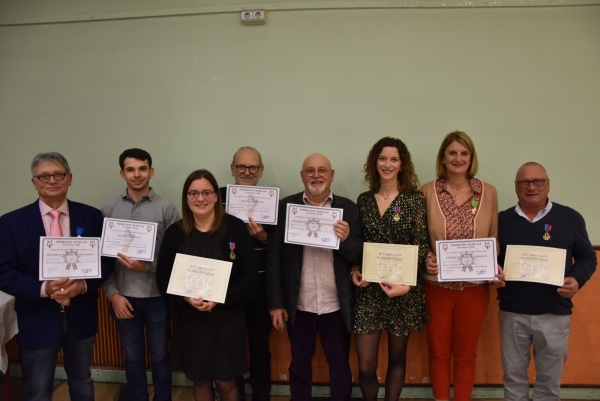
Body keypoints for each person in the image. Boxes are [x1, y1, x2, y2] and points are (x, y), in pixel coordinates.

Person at [0, 152, 113, 401]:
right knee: (38, 389)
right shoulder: (11, 223)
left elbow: (106, 263)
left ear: (69, 178)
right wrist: (44, 289)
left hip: (81, 315)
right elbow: (4, 273)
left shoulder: (91, 217)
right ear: (34, 182)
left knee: (82, 381)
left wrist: (83, 284)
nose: (52, 180)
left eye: (58, 174)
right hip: (37, 317)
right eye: (44, 175)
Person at [266, 153, 363, 401]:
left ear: (332, 175)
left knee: (340, 364)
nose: (316, 175)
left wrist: (345, 240)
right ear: (302, 176)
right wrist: (276, 303)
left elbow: (359, 254)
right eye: (310, 170)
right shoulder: (286, 208)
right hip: (300, 304)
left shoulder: (349, 208)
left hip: (335, 305)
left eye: (322, 170)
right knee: (298, 364)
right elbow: (274, 258)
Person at [497, 162, 596, 401]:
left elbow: (587, 257)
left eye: (538, 181)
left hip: (555, 313)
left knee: (549, 383)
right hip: (513, 313)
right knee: (513, 380)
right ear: (516, 187)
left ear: (548, 185)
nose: (531, 187)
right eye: (524, 182)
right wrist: (494, 273)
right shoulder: (500, 220)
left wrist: (576, 278)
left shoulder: (570, 218)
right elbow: (492, 260)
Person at [156, 169, 258, 401]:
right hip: (190, 321)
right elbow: (162, 278)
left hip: (227, 320)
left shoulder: (235, 228)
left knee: (225, 380)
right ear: (186, 197)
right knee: (200, 378)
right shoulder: (175, 233)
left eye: (206, 192)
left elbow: (250, 274)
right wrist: (183, 298)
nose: (200, 199)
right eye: (193, 193)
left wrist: (222, 298)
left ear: (215, 196)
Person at [421, 131, 503, 401]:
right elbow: (419, 239)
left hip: (475, 288)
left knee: (466, 354)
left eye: (464, 153)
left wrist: (494, 265)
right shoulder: (426, 192)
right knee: (439, 352)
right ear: (443, 158)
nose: (458, 158)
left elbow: (493, 238)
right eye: (452, 153)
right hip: (437, 287)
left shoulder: (487, 192)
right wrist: (426, 258)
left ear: (471, 158)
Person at [350, 137, 429, 401]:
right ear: (375, 162)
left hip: (403, 291)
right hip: (369, 291)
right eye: (383, 158)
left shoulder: (414, 200)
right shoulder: (362, 201)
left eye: (394, 159)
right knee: (365, 366)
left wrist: (407, 284)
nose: (388, 164)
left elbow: (420, 246)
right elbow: (358, 245)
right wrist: (355, 269)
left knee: (397, 358)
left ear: (402, 164)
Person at [101, 148, 179, 401]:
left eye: (142, 168)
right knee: (132, 358)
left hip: (157, 297)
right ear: (122, 173)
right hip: (123, 298)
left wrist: (145, 267)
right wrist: (112, 294)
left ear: (151, 171)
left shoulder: (167, 208)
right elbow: (101, 261)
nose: (137, 174)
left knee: (160, 357)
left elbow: (176, 257)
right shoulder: (109, 209)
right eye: (131, 169)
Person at [219, 146, 272, 401]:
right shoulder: (214, 198)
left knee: (262, 350)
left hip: (261, 289)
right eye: (241, 166)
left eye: (253, 167)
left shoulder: (273, 202)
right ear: (232, 169)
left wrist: (264, 237)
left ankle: (261, 396)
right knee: (232, 350)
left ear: (261, 171)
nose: (247, 172)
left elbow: (282, 249)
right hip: (226, 289)